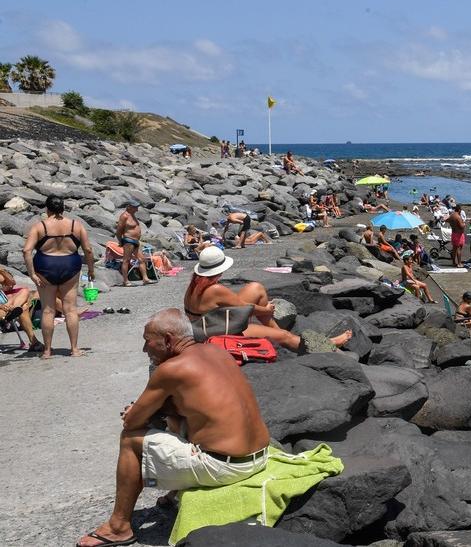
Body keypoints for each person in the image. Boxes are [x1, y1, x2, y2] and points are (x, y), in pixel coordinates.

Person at [75, 309, 271, 547]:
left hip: (225, 468)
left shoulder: (171, 370)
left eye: (148, 341)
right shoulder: (217, 350)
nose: (145, 349)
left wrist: (135, 411)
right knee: (178, 416)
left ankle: (119, 527)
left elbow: (132, 422)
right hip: (260, 457)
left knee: (130, 439)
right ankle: (173, 494)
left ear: (168, 340)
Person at [184, 247, 350, 352]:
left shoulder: (194, 286)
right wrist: (267, 310)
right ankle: (327, 344)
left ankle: (275, 331)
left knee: (255, 288)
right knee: (285, 336)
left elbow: (233, 305)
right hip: (218, 333)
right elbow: (245, 308)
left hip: (210, 325)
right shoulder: (216, 289)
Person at [23, 195, 95, 359]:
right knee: (70, 310)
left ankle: (47, 351)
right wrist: (91, 270)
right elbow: (88, 250)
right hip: (70, 266)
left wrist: (32, 273)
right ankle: (74, 349)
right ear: (63, 209)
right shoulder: (75, 225)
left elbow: (26, 251)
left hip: (45, 267)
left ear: (47, 209)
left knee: (48, 310)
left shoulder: (40, 226)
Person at [0, 265, 43, 353]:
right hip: (2, 307)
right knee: (22, 309)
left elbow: (11, 283)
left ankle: (13, 310)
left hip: (5, 304)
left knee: (24, 291)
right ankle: (34, 342)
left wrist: (2, 270)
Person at [116, 201, 151, 286]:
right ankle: (125, 280)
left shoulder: (133, 215)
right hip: (128, 240)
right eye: (135, 207)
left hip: (136, 241)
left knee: (142, 259)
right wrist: (120, 241)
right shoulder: (124, 216)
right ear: (129, 207)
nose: (137, 208)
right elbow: (119, 230)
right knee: (126, 260)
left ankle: (145, 278)